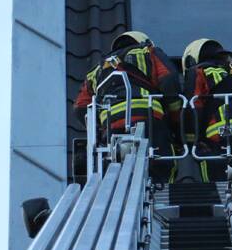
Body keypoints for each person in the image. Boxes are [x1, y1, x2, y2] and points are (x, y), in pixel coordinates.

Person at [74, 31, 181, 180]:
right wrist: (175, 120)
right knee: (163, 160)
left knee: (115, 165)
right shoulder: (148, 51)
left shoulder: (98, 68)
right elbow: (168, 79)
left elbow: (80, 107)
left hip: (111, 120)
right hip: (147, 113)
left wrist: (100, 126)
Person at [181, 38, 232, 182]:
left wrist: (194, 139)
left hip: (220, 129)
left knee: (222, 174)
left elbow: (194, 107)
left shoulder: (200, 71)